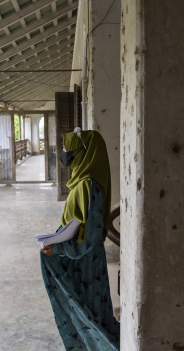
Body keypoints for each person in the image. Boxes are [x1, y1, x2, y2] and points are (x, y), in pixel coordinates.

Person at [40, 128, 120, 351]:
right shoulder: (82, 181)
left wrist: (59, 249)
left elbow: (91, 234)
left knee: (90, 312)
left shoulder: (87, 184)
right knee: (91, 310)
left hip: (85, 261)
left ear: (82, 153)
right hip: (85, 257)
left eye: (67, 149)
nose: (63, 153)